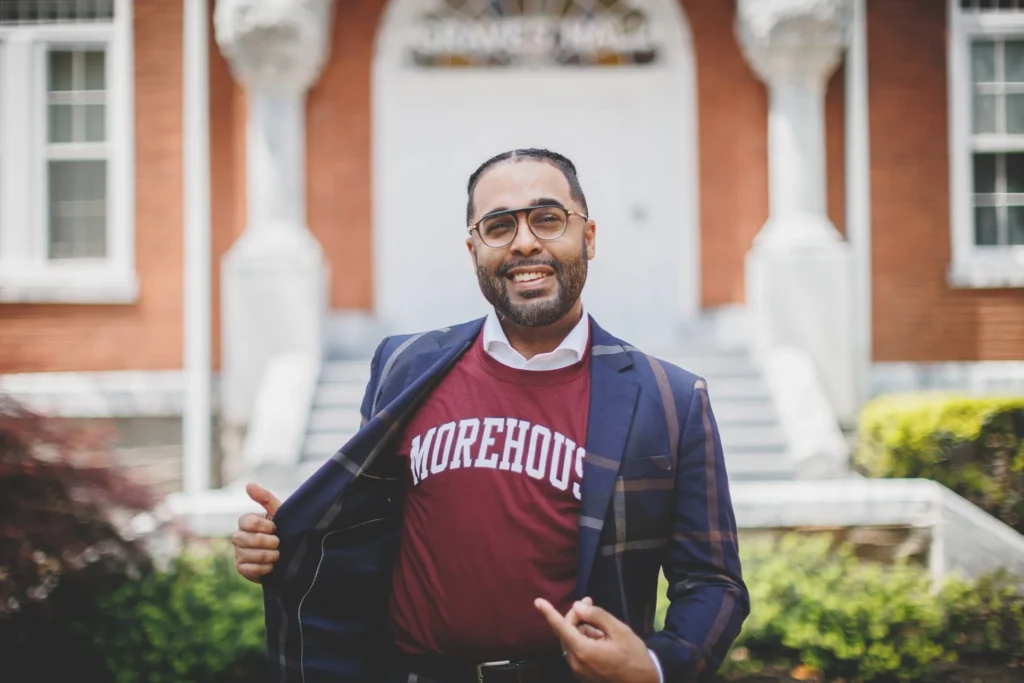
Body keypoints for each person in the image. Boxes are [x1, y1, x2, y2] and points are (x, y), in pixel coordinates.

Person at [232, 148, 749, 683]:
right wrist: (288, 540)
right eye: (498, 226)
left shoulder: (669, 399)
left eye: (548, 219)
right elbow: (367, 529)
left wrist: (657, 664)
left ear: (588, 237)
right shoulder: (404, 367)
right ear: (474, 248)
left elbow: (714, 583)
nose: (525, 242)